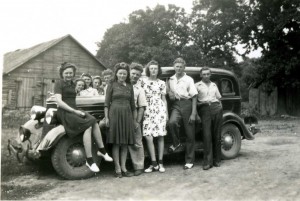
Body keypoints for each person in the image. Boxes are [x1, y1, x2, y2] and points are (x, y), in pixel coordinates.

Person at [54, 62, 112, 173]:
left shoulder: (72, 84)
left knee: (94, 121)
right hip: (65, 112)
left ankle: (102, 150)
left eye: (71, 73)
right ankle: (89, 160)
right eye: (66, 73)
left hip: (74, 110)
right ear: (62, 73)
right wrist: (74, 111)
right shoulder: (59, 83)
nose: (69, 75)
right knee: (87, 127)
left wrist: (76, 110)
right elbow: (59, 102)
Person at [105, 62, 136, 178]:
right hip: (115, 114)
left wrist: (134, 120)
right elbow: (106, 103)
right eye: (120, 73)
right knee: (116, 143)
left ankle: (124, 167)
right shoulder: (111, 85)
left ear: (127, 74)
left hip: (127, 115)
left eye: (124, 73)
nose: (122, 75)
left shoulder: (129, 85)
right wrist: (107, 117)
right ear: (116, 74)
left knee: (124, 143)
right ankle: (117, 168)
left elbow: (133, 105)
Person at [167, 58, 198, 170]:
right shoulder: (171, 79)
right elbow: (169, 92)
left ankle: (189, 161)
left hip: (187, 104)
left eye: (180, 66)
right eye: (176, 66)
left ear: (184, 67)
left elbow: (194, 96)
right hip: (176, 104)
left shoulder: (188, 79)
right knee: (172, 122)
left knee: (190, 133)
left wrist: (193, 113)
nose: (178, 68)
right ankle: (176, 143)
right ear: (174, 67)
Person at [140, 60, 168, 173]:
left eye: (155, 68)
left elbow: (164, 99)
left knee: (160, 135)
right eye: (151, 68)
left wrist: (166, 114)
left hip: (159, 109)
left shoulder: (161, 83)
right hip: (147, 108)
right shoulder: (143, 81)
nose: (153, 70)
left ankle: (160, 162)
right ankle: (153, 162)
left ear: (158, 70)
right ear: (148, 70)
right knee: (148, 135)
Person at [195, 67, 223, 170]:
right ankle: (208, 162)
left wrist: (220, 107)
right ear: (201, 75)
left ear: (210, 74)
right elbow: (194, 100)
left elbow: (219, 98)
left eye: (208, 74)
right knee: (207, 135)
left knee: (217, 135)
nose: (206, 76)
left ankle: (217, 160)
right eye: (204, 74)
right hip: (204, 109)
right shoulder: (197, 85)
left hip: (216, 109)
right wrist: (201, 105)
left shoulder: (214, 85)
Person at [128, 62, 147, 176]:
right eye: (133, 73)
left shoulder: (139, 89)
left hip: (133, 115)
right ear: (129, 72)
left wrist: (137, 122)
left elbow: (142, 107)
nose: (135, 76)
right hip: (119, 114)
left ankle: (139, 166)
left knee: (137, 142)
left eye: (137, 75)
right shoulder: (120, 84)